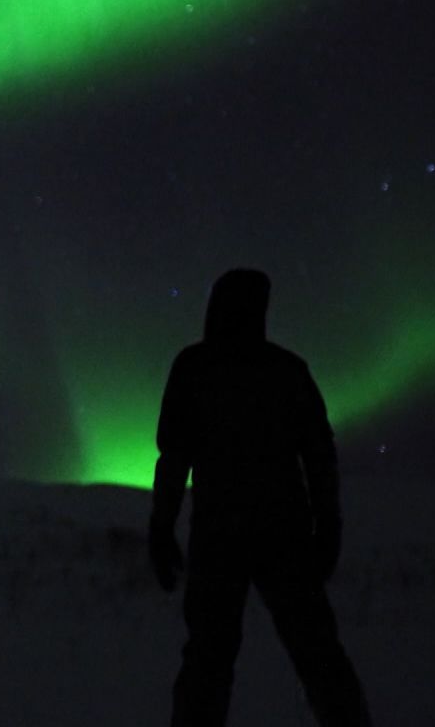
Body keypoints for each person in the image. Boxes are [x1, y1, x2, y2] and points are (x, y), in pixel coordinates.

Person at [151, 268, 373, 727]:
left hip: (224, 533)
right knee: (314, 653)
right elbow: (318, 457)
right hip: (279, 532)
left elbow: (175, 456)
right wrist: (326, 527)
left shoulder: (196, 368)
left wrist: (162, 525)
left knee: (212, 661)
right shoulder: (285, 372)